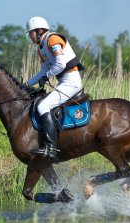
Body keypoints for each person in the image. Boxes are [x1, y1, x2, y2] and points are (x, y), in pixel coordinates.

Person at [22, 16, 84, 161]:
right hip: (63, 82)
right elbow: (43, 72)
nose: (29, 36)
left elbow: (61, 64)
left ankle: (51, 148)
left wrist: (47, 76)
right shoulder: (41, 48)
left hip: (71, 81)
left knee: (43, 106)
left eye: (30, 33)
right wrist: (26, 84)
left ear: (39, 30)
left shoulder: (53, 40)